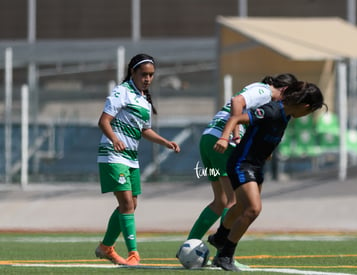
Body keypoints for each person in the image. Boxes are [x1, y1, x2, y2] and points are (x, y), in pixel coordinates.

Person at [208, 81, 326, 271]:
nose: (307, 115)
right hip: (242, 163)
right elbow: (235, 118)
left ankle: (220, 238)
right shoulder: (271, 111)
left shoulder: (286, 115)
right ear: (305, 106)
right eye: (310, 112)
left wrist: (267, 151)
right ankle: (225, 255)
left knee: (241, 207)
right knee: (253, 209)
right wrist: (224, 138)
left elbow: (270, 135)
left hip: (256, 165)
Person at [185, 74, 297, 267]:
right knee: (234, 201)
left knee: (220, 201)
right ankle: (223, 255)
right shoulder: (264, 91)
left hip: (209, 139)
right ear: (284, 90)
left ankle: (188, 247)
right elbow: (237, 102)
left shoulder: (259, 91)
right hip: (223, 142)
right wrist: (234, 136)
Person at [95, 53, 181, 266]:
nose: (148, 79)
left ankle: (105, 247)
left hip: (130, 158)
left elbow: (145, 130)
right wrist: (114, 139)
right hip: (113, 155)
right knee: (126, 203)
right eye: (144, 74)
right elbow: (103, 121)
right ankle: (134, 254)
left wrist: (165, 142)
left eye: (151, 75)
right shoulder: (121, 92)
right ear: (132, 72)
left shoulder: (143, 99)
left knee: (132, 203)